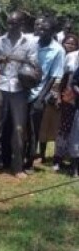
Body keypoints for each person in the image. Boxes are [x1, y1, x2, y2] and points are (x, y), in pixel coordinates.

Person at [0, 11, 38, 178]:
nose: (10, 26)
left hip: (19, 89)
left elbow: (33, 64)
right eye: (8, 23)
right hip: (1, 86)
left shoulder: (29, 42)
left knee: (18, 129)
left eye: (14, 23)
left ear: (21, 24)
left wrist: (18, 60)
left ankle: (17, 167)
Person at [27, 17, 64, 169]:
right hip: (21, 91)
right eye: (40, 28)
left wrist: (40, 99)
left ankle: (28, 162)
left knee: (33, 130)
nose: (40, 31)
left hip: (38, 94)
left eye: (45, 29)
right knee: (18, 126)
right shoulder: (30, 42)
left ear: (53, 32)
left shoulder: (58, 51)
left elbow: (54, 76)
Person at [53, 34, 79, 172]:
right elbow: (63, 78)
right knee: (65, 128)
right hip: (70, 96)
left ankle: (73, 160)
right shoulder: (71, 56)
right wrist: (58, 95)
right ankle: (58, 158)